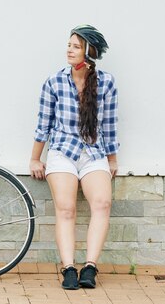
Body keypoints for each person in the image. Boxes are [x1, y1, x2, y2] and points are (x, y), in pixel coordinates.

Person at [29, 25, 119, 290]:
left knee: (102, 204)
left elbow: (110, 126)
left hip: (93, 152)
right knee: (66, 209)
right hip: (62, 152)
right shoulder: (55, 81)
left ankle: (90, 267)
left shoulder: (106, 82)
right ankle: (68, 268)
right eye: (69, 45)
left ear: (90, 52)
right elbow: (43, 125)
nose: (69, 50)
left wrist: (112, 159)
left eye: (76, 46)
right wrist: (35, 158)